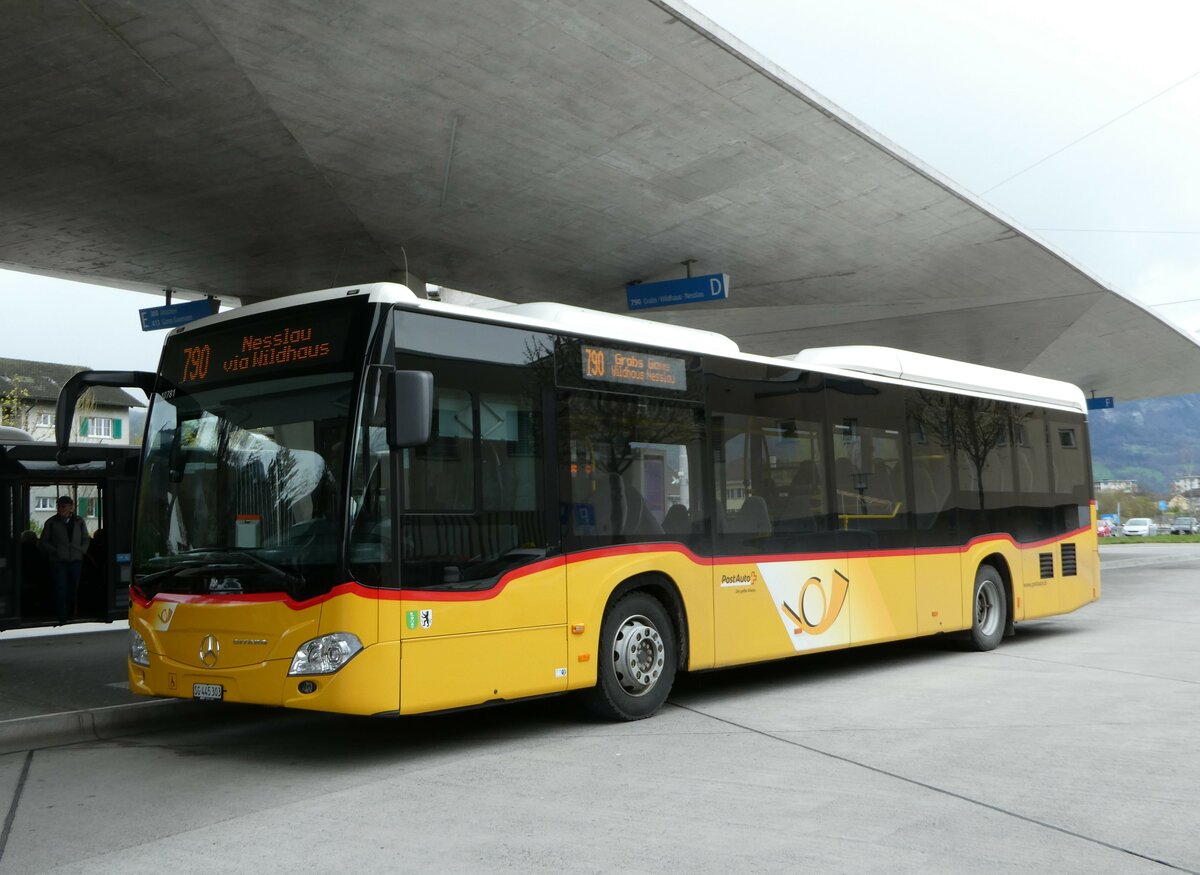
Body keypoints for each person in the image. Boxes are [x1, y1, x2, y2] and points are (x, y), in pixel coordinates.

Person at [39, 495, 90, 625]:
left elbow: (86, 538)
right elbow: (44, 542)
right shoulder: (51, 522)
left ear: (70, 507)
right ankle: (62, 616)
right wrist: (56, 551)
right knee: (60, 587)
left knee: (73, 587)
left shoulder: (79, 521)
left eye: (64, 506)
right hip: (58, 561)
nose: (61, 508)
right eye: (59, 506)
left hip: (76, 560)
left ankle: (68, 611)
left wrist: (82, 550)